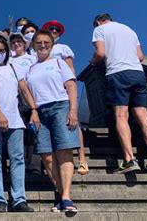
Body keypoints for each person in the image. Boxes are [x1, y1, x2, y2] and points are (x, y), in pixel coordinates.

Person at [90, 13, 147, 173]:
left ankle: (129, 160)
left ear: (98, 22)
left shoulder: (100, 30)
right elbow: (141, 56)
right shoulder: (129, 30)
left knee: (121, 115)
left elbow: (100, 53)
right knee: (143, 115)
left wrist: (93, 61)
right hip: (137, 73)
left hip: (118, 73)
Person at [0, 37, 39, 212]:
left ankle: (19, 198)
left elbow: (24, 89)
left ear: (7, 51)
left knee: (17, 159)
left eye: (1, 50)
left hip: (15, 118)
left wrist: (34, 109)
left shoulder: (14, 66)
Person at [25, 30, 80, 213]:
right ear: (33, 45)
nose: (42, 45)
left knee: (63, 150)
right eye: (38, 42)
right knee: (46, 155)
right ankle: (61, 194)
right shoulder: (31, 69)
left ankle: (66, 196)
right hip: (41, 111)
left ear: (51, 45)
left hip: (60, 106)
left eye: (46, 42)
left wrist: (73, 111)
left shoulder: (59, 62)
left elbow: (71, 86)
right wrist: (34, 111)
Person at [42, 20, 88, 175]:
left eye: (56, 30)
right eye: (50, 29)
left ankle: (82, 159)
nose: (54, 31)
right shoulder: (40, 50)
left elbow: (70, 69)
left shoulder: (63, 48)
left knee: (73, 124)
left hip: (64, 91)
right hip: (49, 94)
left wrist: (71, 90)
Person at [9, 33, 40, 174]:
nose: (16, 44)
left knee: (34, 133)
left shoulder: (32, 58)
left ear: (25, 44)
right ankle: (21, 166)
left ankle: (34, 166)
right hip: (15, 98)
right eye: (14, 42)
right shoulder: (8, 60)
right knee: (19, 134)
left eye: (19, 41)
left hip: (32, 95)